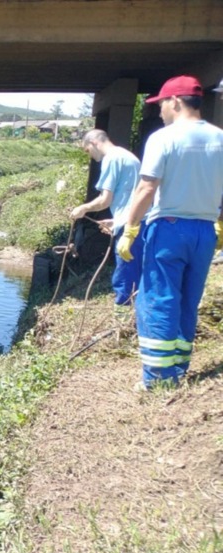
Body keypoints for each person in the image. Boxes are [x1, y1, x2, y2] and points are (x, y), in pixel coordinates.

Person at [116, 75, 223, 390]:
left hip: (169, 229)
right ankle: (178, 367)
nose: (159, 110)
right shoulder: (220, 138)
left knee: (159, 297)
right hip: (205, 231)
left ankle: (158, 379)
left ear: (175, 101)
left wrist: (129, 229)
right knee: (189, 299)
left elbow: (147, 187)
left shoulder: (164, 138)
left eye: (160, 103)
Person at [69, 129, 143, 319]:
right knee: (138, 268)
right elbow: (131, 196)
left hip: (130, 225)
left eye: (87, 150)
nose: (91, 157)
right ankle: (134, 313)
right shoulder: (128, 156)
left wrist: (83, 209)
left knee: (125, 271)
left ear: (93, 142)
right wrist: (115, 220)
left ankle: (122, 317)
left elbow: (105, 200)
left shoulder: (111, 158)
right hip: (137, 219)